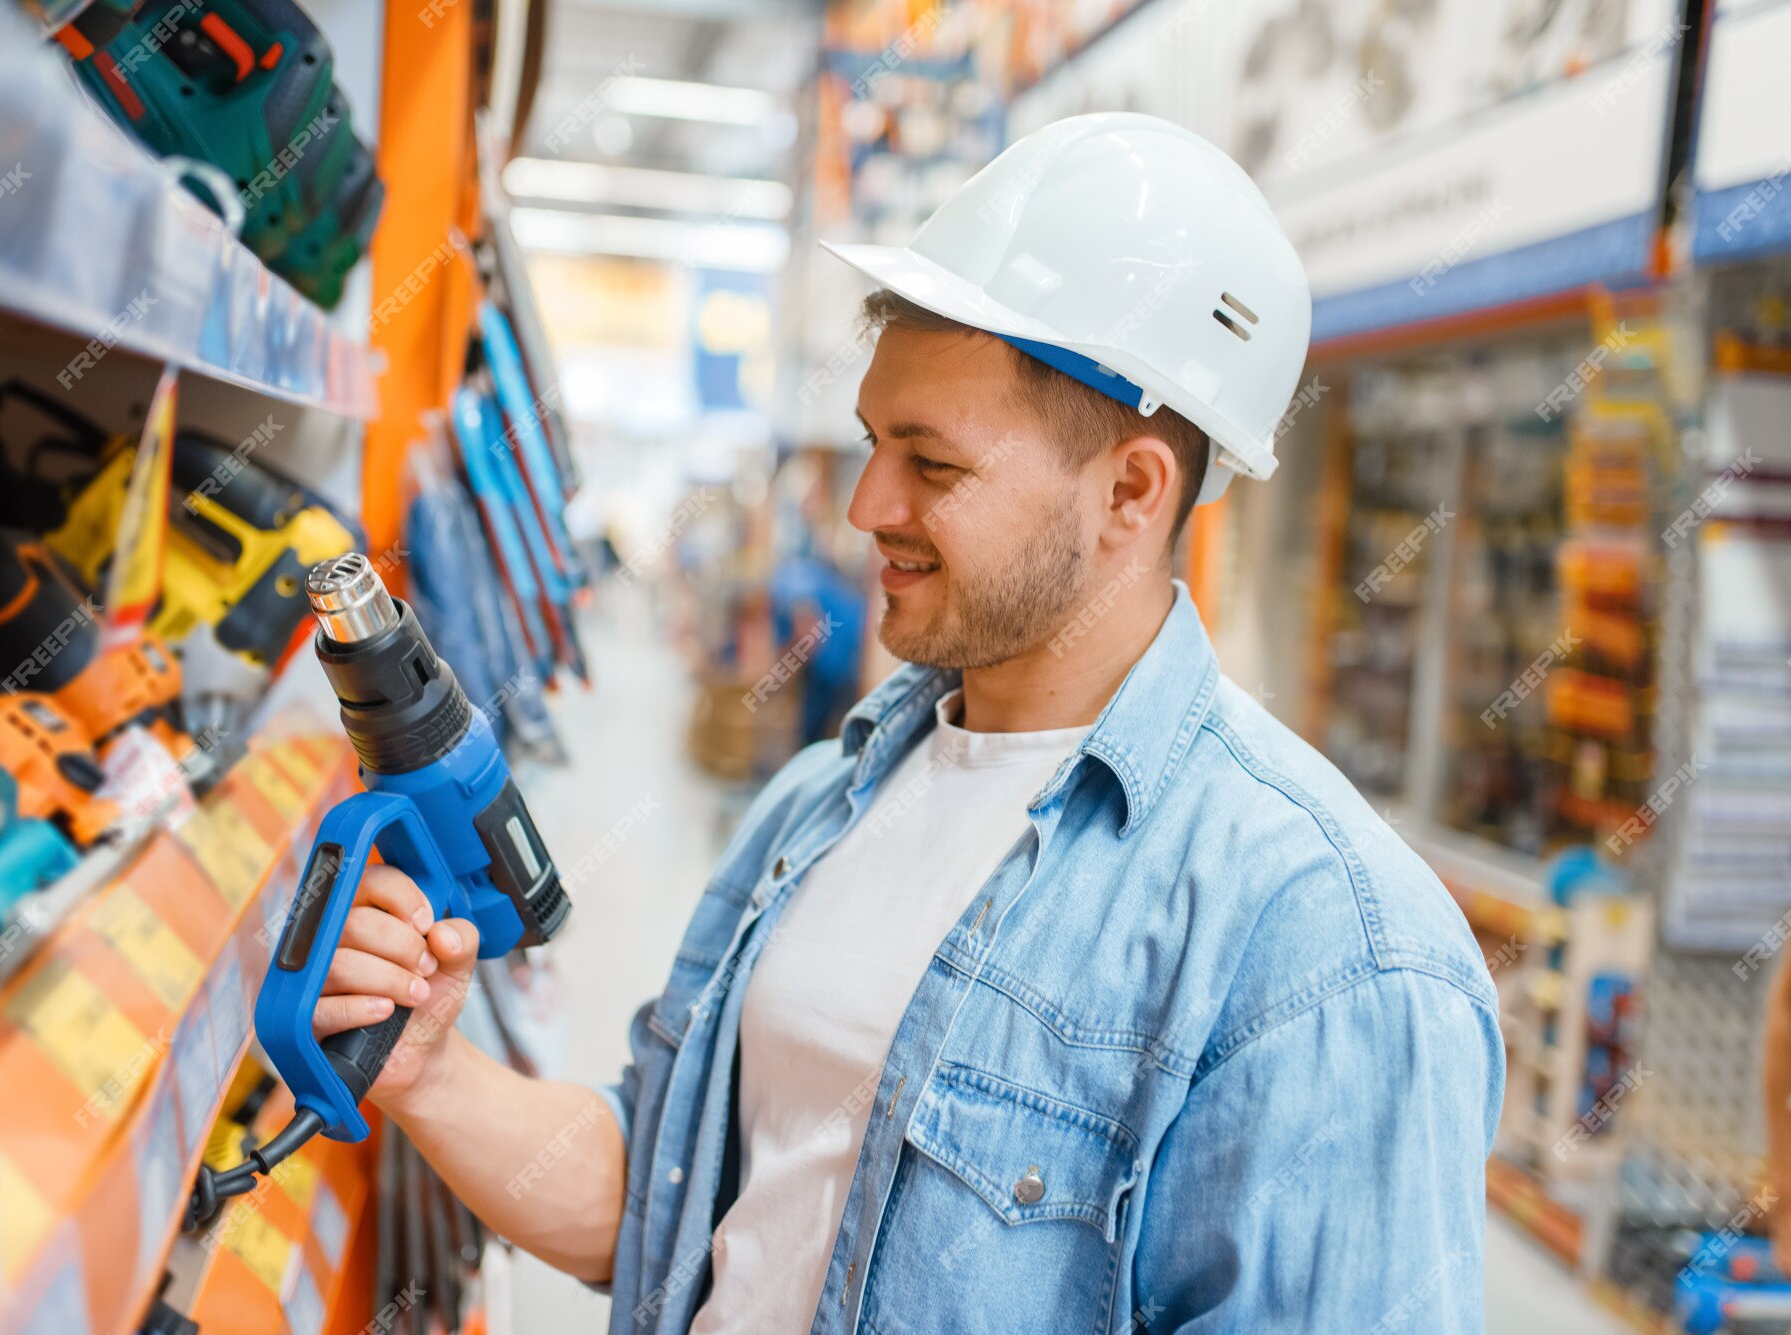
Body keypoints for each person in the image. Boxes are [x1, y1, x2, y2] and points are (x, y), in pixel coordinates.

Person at [310, 115, 1505, 1333]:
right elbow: (672, 1216)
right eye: (875, 444)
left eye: (931, 466)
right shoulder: (824, 804)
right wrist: (433, 1076)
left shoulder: (1318, 947)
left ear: (1130, 493)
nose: (868, 503)